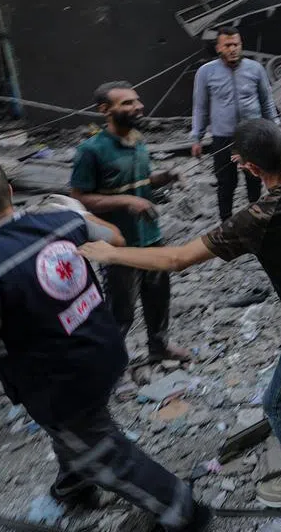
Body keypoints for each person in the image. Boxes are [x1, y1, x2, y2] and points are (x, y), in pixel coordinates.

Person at [0, 165, 212, 530]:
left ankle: (184, 511)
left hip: (57, 382)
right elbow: (115, 239)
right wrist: (80, 218)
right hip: (104, 349)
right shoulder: (62, 220)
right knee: (78, 432)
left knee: (102, 451)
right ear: (9, 191)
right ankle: (74, 487)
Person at [81, 118, 281, 507]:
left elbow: (177, 258)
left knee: (277, 403)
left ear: (248, 167)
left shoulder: (256, 219)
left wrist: (113, 253)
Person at [71, 82, 189, 364]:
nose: (137, 107)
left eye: (136, 101)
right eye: (126, 103)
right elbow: (80, 197)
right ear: (105, 110)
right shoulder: (91, 150)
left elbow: (141, 181)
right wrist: (127, 202)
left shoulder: (138, 139)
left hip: (150, 236)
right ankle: (112, 364)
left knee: (158, 297)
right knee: (121, 309)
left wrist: (165, 177)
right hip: (117, 243)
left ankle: (159, 347)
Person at [191, 25, 279, 221]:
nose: (233, 49)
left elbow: (266, 100)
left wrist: (275, 127)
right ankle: (226, 223)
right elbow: (200, 106)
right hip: (223, 138)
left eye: (236, 44)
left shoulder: (255, 69)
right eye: (228, 45)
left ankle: (255, 218)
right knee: (226, 182)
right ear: (218, 48)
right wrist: (197, 136)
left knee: (255, 179)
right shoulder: (206, 72)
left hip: (253, 135)